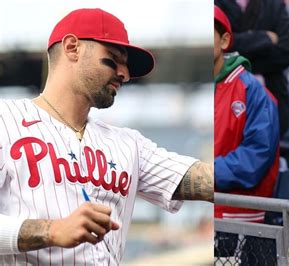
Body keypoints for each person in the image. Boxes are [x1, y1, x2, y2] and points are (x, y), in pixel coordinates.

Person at [0, 8, 213, 264]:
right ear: (72, 48)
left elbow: (207, 180)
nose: (124, 73)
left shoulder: (128, 144)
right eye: (113, 58)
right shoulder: (6, 120)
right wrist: (51, 230)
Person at [214, 5, 279, 265]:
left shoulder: (251, 89)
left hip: (239, 219)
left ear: (225, 40)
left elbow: (256, 157)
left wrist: (204, 172)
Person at [215, 0, 289, 137]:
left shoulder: (274, 4)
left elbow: (286, 52)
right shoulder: (217, 5)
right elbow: (220, 49)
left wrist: (240, 55)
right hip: (225, 97)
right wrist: (265, 38)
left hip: (273, 96)